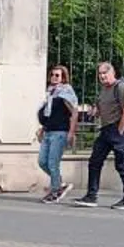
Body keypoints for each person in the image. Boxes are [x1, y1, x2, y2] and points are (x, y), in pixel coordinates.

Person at [70, 61, 124, 210]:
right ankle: (91, 196)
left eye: (105, 72)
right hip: (106, 130)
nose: (102, 76)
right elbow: (100, 107)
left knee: (122, 165)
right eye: (100, 73)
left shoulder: (121, 87)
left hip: (118, 129)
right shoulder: (103, 90)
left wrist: (120, 131)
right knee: (94, 162)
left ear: (113, 73)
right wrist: (95, 111)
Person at [36, 64, 78, 202]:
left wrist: (71, 132)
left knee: (53, 163)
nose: (54, 77)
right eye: (52, 74)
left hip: (60, 132)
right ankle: (59, 184)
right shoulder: (51, 92)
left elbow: (74, 113)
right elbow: (49, 114)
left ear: (63, 77)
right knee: (42, 162)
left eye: (57, 75)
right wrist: (42, 128)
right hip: (48, 131)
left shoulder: (65, 92)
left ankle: (55, 191)